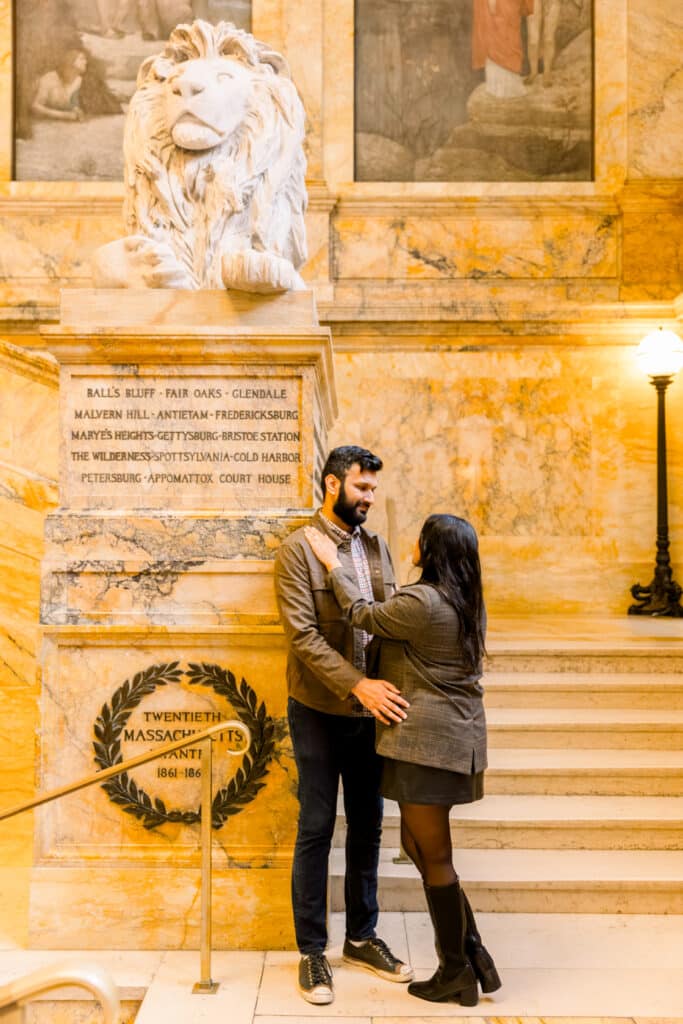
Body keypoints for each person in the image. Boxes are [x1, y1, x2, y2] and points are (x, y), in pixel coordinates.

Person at [304, 513, 501, 1006]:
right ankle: (472, 954)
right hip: (446, 740)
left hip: (429, 744)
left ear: (431, 548)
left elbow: (364, 615)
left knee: (434, 856)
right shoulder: (465, 599)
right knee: (417, 846)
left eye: (421, 536)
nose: (412, 542)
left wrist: (333, 565)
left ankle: (457, 970)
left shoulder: (423, 601)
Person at [274, 445, 413, 1006]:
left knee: (368, 825)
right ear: (332, 485)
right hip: (317, 708)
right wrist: (355, 683)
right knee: (315, 826)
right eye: (361, 488)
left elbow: (386, 619)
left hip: (371, 711)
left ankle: (362, 937)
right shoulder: (295, 551)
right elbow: (302, 638)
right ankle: (311, 951)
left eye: (373, 489)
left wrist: (383, 690)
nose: (370, 499)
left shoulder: (375, 547)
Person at [31, 50, 88, 122]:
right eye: (82, 58)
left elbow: (72, 102)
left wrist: (76, 110)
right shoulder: (50, 78)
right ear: (71, 61)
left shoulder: (78, 80)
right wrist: (63, 115)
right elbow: (35, 106)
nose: (86, 62)